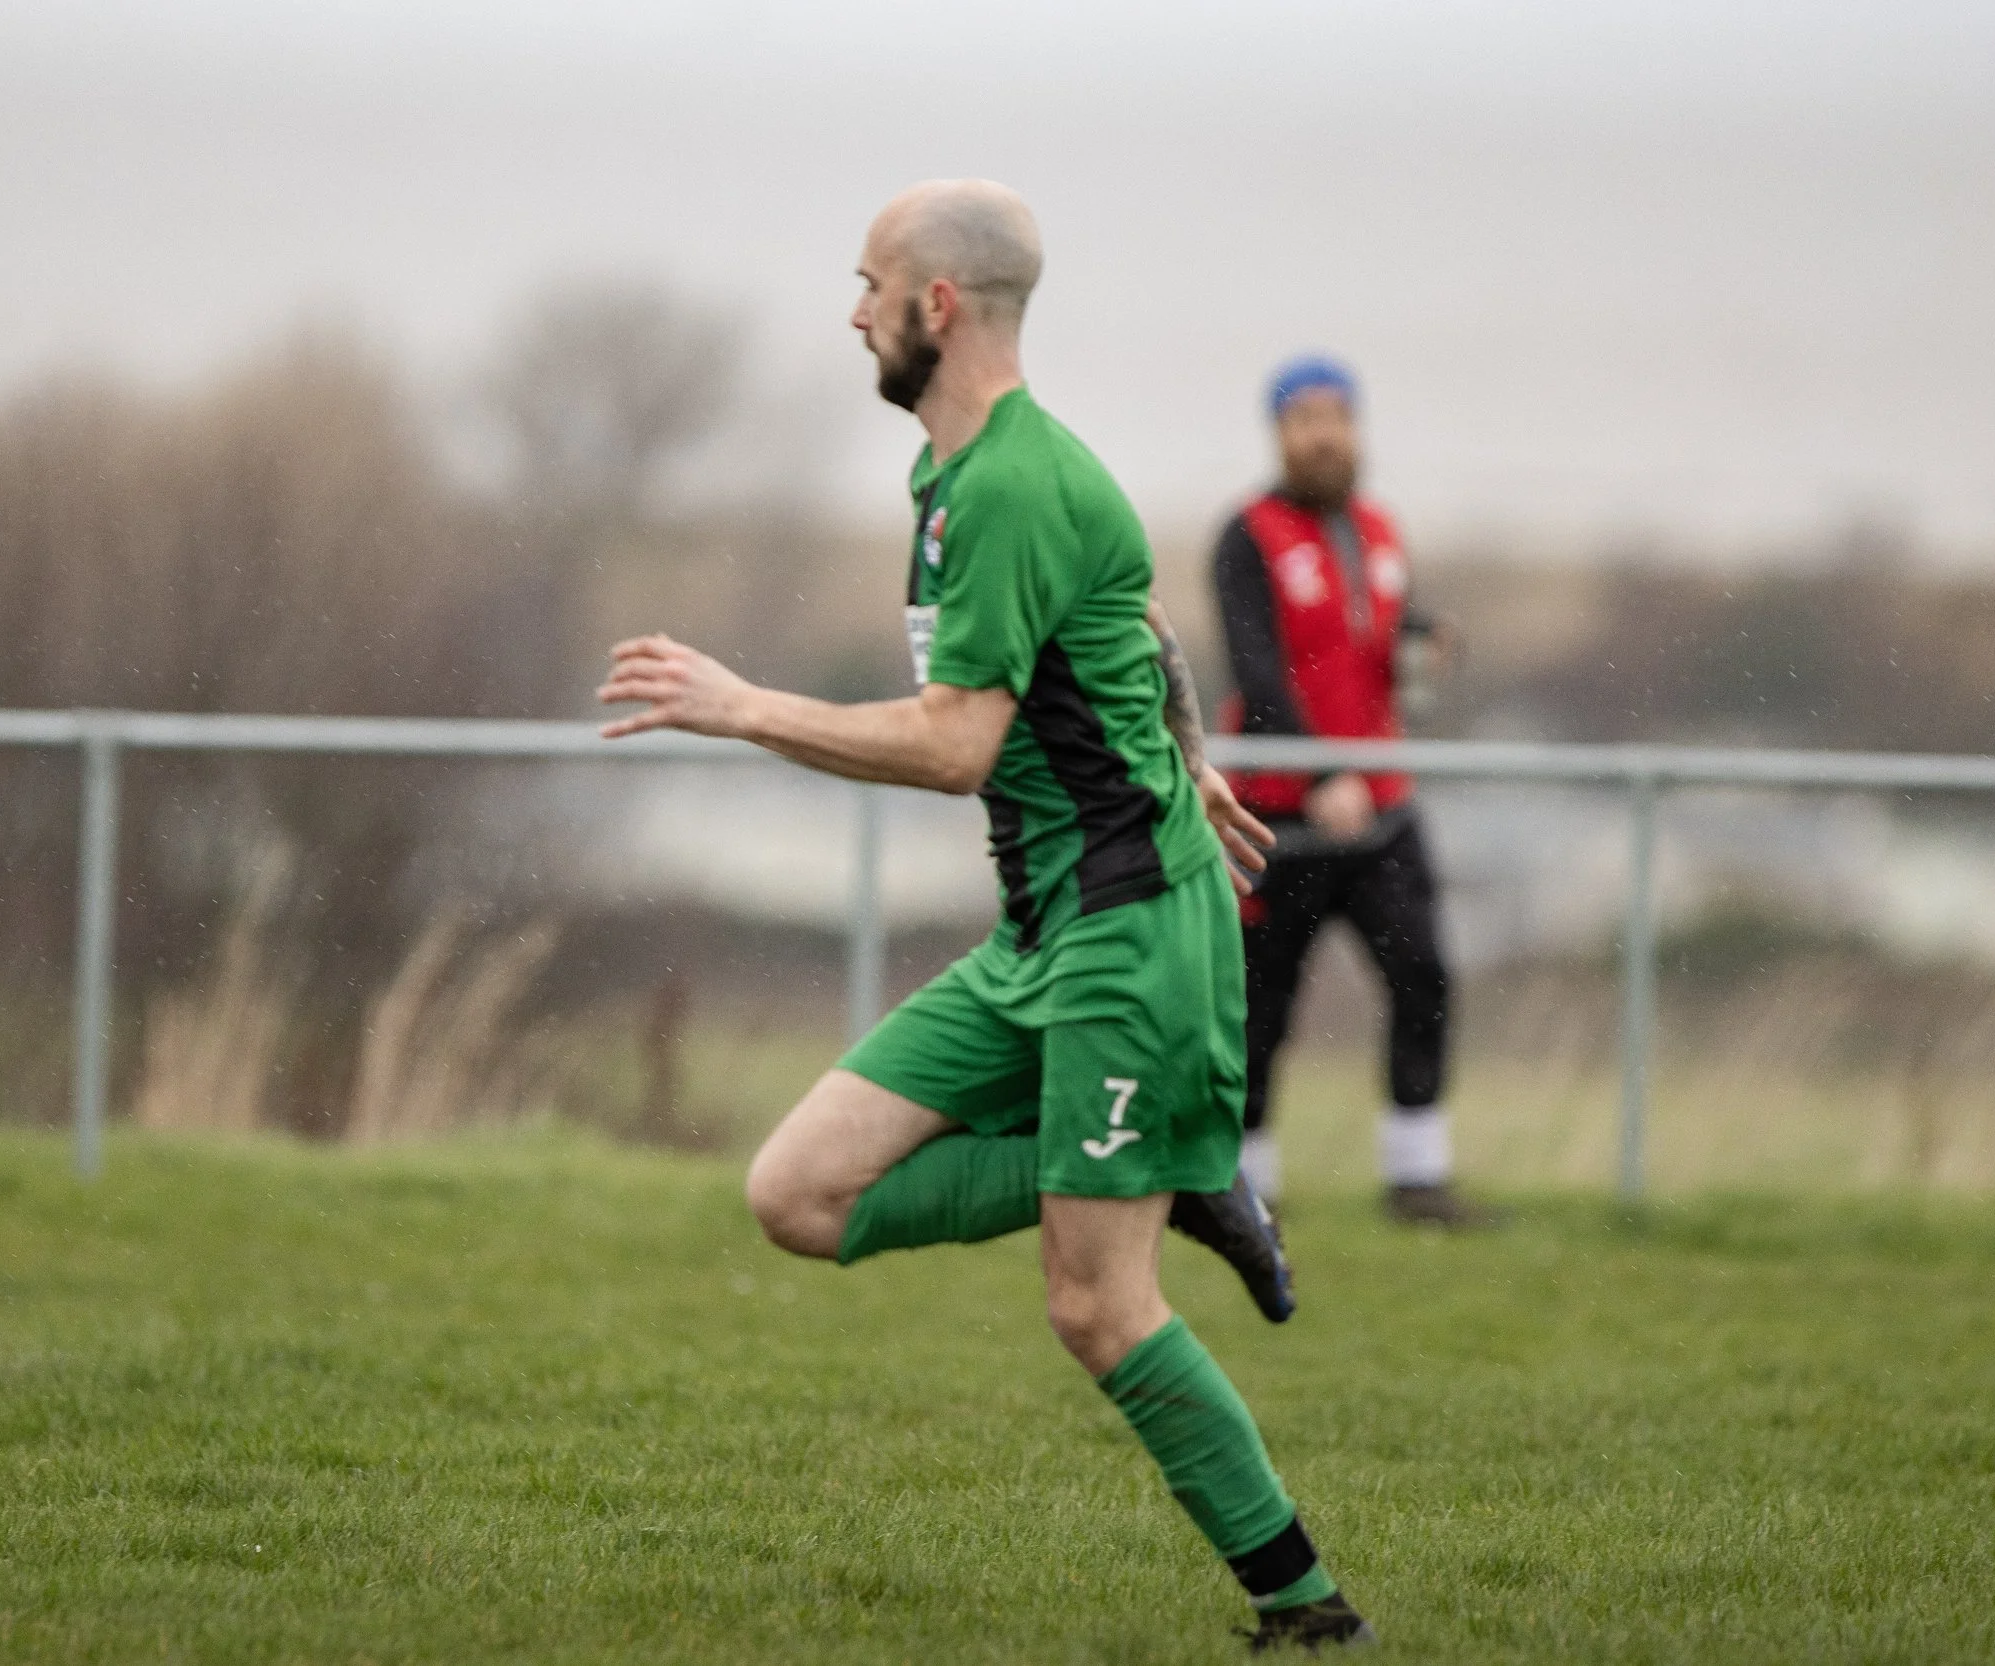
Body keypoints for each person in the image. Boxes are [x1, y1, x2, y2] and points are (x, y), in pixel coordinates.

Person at [600, 181, 1374, 1652]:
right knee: (797, 1194)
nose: (852, 311)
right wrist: (1190, 754)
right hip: (1043, 930)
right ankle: (1178, 1166)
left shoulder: (1019, 481)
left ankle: (1306, 1607)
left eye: (867, 284)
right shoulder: (957, 476)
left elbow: (958, 743)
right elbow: (1135, 635)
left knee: (1094, 1305)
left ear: (935, 306)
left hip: (1131, 937)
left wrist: (744, 705)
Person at [1211, 356, 1492, 1227]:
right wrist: (1319, 770)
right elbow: (1257, 671)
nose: (1324, 434)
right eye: (1305, 418)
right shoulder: (1246, 537)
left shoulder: (1378, 528)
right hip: (1281, 815)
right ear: (1279, 433)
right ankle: (1248, 1185)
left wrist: (1424, 639)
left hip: (1380, 809)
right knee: (1262, 1003)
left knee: (1424, 974)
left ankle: (1418, 1177)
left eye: (1338, 415)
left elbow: (1369, 641)